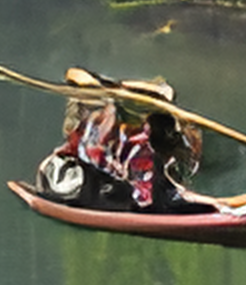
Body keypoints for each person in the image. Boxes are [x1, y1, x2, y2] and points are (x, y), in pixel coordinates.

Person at [38, 69, 204, 212]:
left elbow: (150, 185)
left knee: (134, 191)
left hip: (122, 191)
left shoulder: (148, 142)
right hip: (78, 180)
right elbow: (75, 75)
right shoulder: (100, 122)